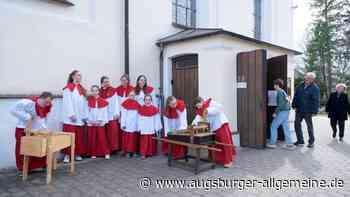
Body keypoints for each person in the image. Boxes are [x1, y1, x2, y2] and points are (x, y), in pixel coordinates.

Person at [10, 92, 53, 172]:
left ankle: (36, 167)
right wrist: (27, 117)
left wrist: (45, 129)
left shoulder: (46, 106)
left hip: (36, 131)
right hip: (23, 129)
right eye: (46, 102)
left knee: (38, 148)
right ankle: (23, 169)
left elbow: (42, 119)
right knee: (23, 149)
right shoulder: (27, 102)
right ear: (41, 98)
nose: (47, 104)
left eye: (49, 103)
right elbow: (12, 110)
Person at [192, 97, 236, 168]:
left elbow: (220, 108)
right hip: (213, 128)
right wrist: (192, 125)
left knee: (225, 143)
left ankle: (229, 161)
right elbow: (198, 118)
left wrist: (207, 111)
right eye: (197, 106)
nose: (199, 107)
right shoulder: (199, 110)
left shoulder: (210, 103)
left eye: (199, 105)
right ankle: (217, 159)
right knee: (215, 144)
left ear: (202, 101)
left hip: (221, 124)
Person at [61, 70, 88, 163]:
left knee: (78, 137)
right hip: (71, 118)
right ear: (72, 76)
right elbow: (67, 102)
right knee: (69, 137)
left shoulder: (82, 89)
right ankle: (67, 155)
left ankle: (77, 153)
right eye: (77, 75)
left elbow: (84, 103)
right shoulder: (68, 88)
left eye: (80, 75)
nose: (79, 77)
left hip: (80, 117)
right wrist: (71, 114)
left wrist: (85, 116)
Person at [292, 72, 320, 148]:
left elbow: (316, 100)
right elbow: (296, 95)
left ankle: (311, 142)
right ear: (305, 77)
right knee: (297, 125)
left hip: (308, 110)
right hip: (299, 109)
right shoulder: (300, 85)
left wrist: (315, 111)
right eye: (307, 77)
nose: (308, 79)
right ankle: (300, 140)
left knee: (309, 126)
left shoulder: (315, 88)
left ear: (312, 79)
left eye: (310, 78)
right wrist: (294, 105)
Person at [266, 79, 295, 150]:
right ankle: (289, 144)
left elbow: (281, 105)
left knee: (273, 126)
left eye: (274, 85)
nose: (274, 86)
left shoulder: (279, 92)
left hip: (282, 112)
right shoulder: (283, 91)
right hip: (286, 111)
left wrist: (275, 113)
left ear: (277, 85)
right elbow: (286, 102)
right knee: (286, 127)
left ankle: (272, 143)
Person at [86, 85, 110, 159]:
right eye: (93, 91)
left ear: (98, 91)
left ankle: (106, 153)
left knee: (102, 138)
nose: (94, 92)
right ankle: (93, 153)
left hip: (100, 122)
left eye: (96, 90)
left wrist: (100, 120)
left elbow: (104, 112)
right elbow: (87, 111)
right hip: (92, 122)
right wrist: (90, 120)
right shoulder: (88, 101)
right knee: (92, 138)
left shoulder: (103, 101)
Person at [100, 76, 121, 153]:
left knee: (112, 133)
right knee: (104, 133)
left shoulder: (113, 90)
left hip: (111, 114)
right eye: (105, 82)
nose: (107, 83)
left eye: (108, 81)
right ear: (101, 83)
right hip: (103, 115)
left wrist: (116, 113)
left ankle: (113, 149)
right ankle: (105, 148)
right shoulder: (99, 91)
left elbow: (116, 102)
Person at [137, 95, 162, 159]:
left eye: (149, 100)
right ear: (144, 101)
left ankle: (151, 153)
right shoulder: (141, 109)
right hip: (144, 128)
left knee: (151, 141)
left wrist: (156, 128)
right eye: (146, 100)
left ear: (151, 101)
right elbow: (138, 119)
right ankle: (143, 153)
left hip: (151, 127)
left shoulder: (154, 109)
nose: (147, 101)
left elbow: (157, 119)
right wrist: (139, 127)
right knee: (144, 141)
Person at [120, 90, 140, 158]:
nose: (132, 96)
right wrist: (123, 124)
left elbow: (138, 115)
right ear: (128, 96)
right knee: (128, 139)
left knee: (134, 139)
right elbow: (123, 115)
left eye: (133, 95)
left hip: (134, 123)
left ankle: (133, 151)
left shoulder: (137, 103)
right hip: (127, 124)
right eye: (131, 95)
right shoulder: (124, 103)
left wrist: (138, 124)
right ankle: (127, 152)